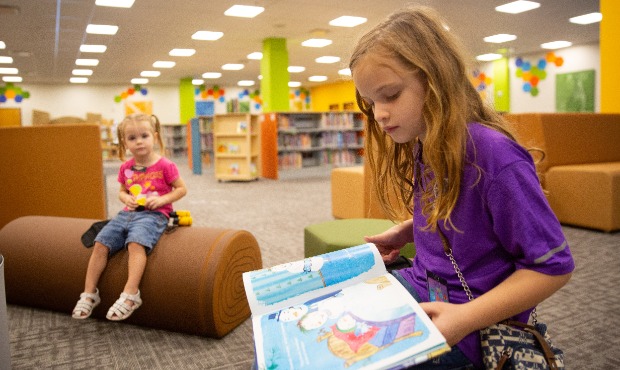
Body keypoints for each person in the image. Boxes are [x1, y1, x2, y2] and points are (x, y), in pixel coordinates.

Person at [349, 6, 574, 369]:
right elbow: (466, 219)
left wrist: (464, 320)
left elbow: (553, 267)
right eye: (372, 102)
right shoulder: (427, 141)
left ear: (435, 81)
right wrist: (410, 230)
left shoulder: (495, 156)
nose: (379, 114)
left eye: (390, 95)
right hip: (424, 286)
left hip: (470, 325)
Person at [72, 113, 187, 321]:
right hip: (127, 214)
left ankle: (131, 294)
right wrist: (126, 199)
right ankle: (89, 294)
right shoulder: (126, 167)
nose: (139, 141)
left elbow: (181, 189)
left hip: (154, 215)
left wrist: (162, 200)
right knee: (100, 243)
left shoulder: (165, 165)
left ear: (154, 136)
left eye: (144, 136)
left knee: (135, 244)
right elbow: (122, 191)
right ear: (124, 142)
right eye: (132, 138)